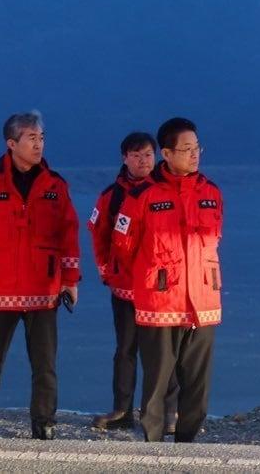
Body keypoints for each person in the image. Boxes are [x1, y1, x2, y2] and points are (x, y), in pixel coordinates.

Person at [0, 111, 80, 440]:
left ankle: (44, 425)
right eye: (31, 138)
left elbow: (69, 234)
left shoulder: (56, 185)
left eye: (42, 137)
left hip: (44, 288)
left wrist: (70, 279)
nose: (39, 144)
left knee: (45, 366)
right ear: (11, 144)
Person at [112, 117, 222, 443]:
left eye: (197, 147)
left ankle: (187, 445)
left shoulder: (211, 192)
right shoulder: (143, 194)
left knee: (198, 383)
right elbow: (123, 242)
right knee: (158, 381)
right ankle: (153, 449)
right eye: (186, 149)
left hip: (203, 302)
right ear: (167, 153)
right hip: (160, 301)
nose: (194, 154)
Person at [88, 132, 177, 430]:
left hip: (162, 288)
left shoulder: (170, 191)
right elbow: (98, 235)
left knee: (165, 352)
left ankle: (168, 414)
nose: (143, 161)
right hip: (125, 287)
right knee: (125, 349)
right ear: (125, 158)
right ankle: (122, 411)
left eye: (148, 154)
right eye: (137, 155)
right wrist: (106, 272)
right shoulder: (110, 196)